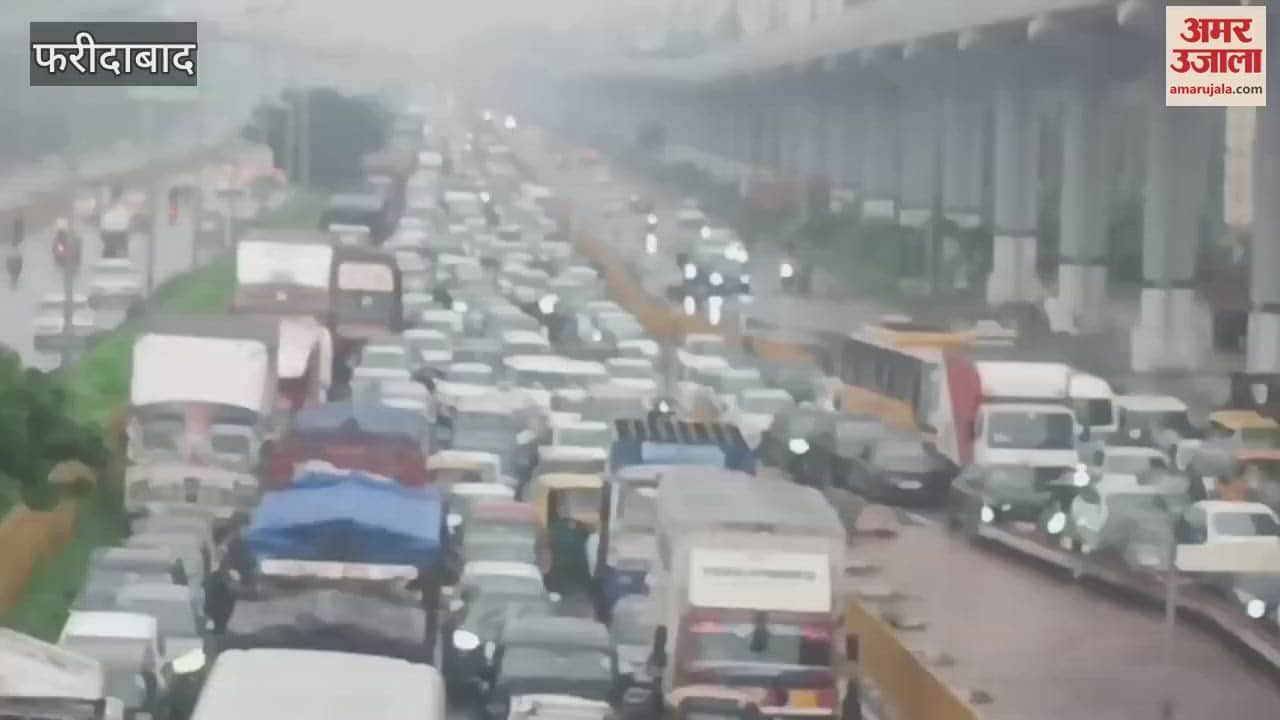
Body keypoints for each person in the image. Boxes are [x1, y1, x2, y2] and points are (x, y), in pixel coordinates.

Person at [6, 214, 23, 286]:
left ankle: (14, 280)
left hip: (14, 256)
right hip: (14, 257)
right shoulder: (17, 226)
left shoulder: (17, 226)